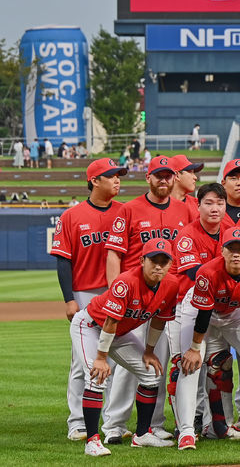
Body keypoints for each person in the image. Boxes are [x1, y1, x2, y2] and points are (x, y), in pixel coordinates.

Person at [101, 155, 189, 443]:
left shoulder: (183, 210)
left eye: (168, 175)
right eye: (157, 175)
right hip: (135, 297)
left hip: (164, 297)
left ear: (174, 178)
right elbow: (114, 253)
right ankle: (114, 424)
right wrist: (118, 292)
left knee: (157, 360)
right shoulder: (129, 209)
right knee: (129, 366)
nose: (163, 180)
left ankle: (152, 424)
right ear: (147, 178)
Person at [71, 238, 178, 456]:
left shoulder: (171, 285)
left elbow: (159, 319)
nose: (158, 265)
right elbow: (110, 321)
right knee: (96, 376)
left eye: (163, 261)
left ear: (169, 264)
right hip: (90, 326)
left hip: (119, 333)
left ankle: (141, 435)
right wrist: (101, 357)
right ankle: (92, 441)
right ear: (142, 260)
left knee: (150, 375)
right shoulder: (126, 281)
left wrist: (149, 351)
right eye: (153, 260)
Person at [175, 225, 240, 449]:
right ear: (223, 251)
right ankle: (187, 431)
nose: (236, 253)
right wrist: (194, 348)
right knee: (190, 365)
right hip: (198, 310)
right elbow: (203, 315)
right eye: (231, 248)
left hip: (234, 310)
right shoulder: (207, 272)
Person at [51, 158, 127, 441]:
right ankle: (78, 422)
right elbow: (62, 262)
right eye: (111, 176)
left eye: (119, 175)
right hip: (85, 292)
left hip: (117, 292)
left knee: (116, 361)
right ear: (94, 181)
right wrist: (69, 300)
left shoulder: (124, 211)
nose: (118, 180)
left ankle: (111, 422)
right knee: (82, 362)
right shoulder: (71, 216)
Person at [169, 182, 237, 440]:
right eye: (208, 203)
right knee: (184, 367)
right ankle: (183, 427)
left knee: (220, 366)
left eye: (220, 203)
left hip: (220, 307)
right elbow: (196, 275)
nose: (215, 208)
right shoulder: (187, 235)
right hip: (186, 306)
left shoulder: (232, 231)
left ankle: (217, 425)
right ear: (198, 206)